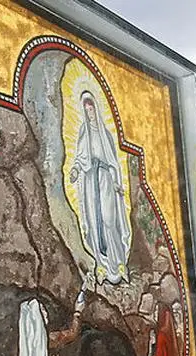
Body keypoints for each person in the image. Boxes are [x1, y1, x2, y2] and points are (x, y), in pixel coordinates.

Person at [69, 91, 130, 285]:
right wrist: (76, 170)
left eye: (92, 109)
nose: (90, 113)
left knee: (109, 220)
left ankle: (118, 262)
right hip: (90, 182)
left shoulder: (106, 136)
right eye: (86, 110)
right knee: (95, 224)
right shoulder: (83, 133)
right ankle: (102, 265)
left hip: (104, 180)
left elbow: (113, 163)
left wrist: (115, 182)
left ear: (96, 108)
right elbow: (80, 157)